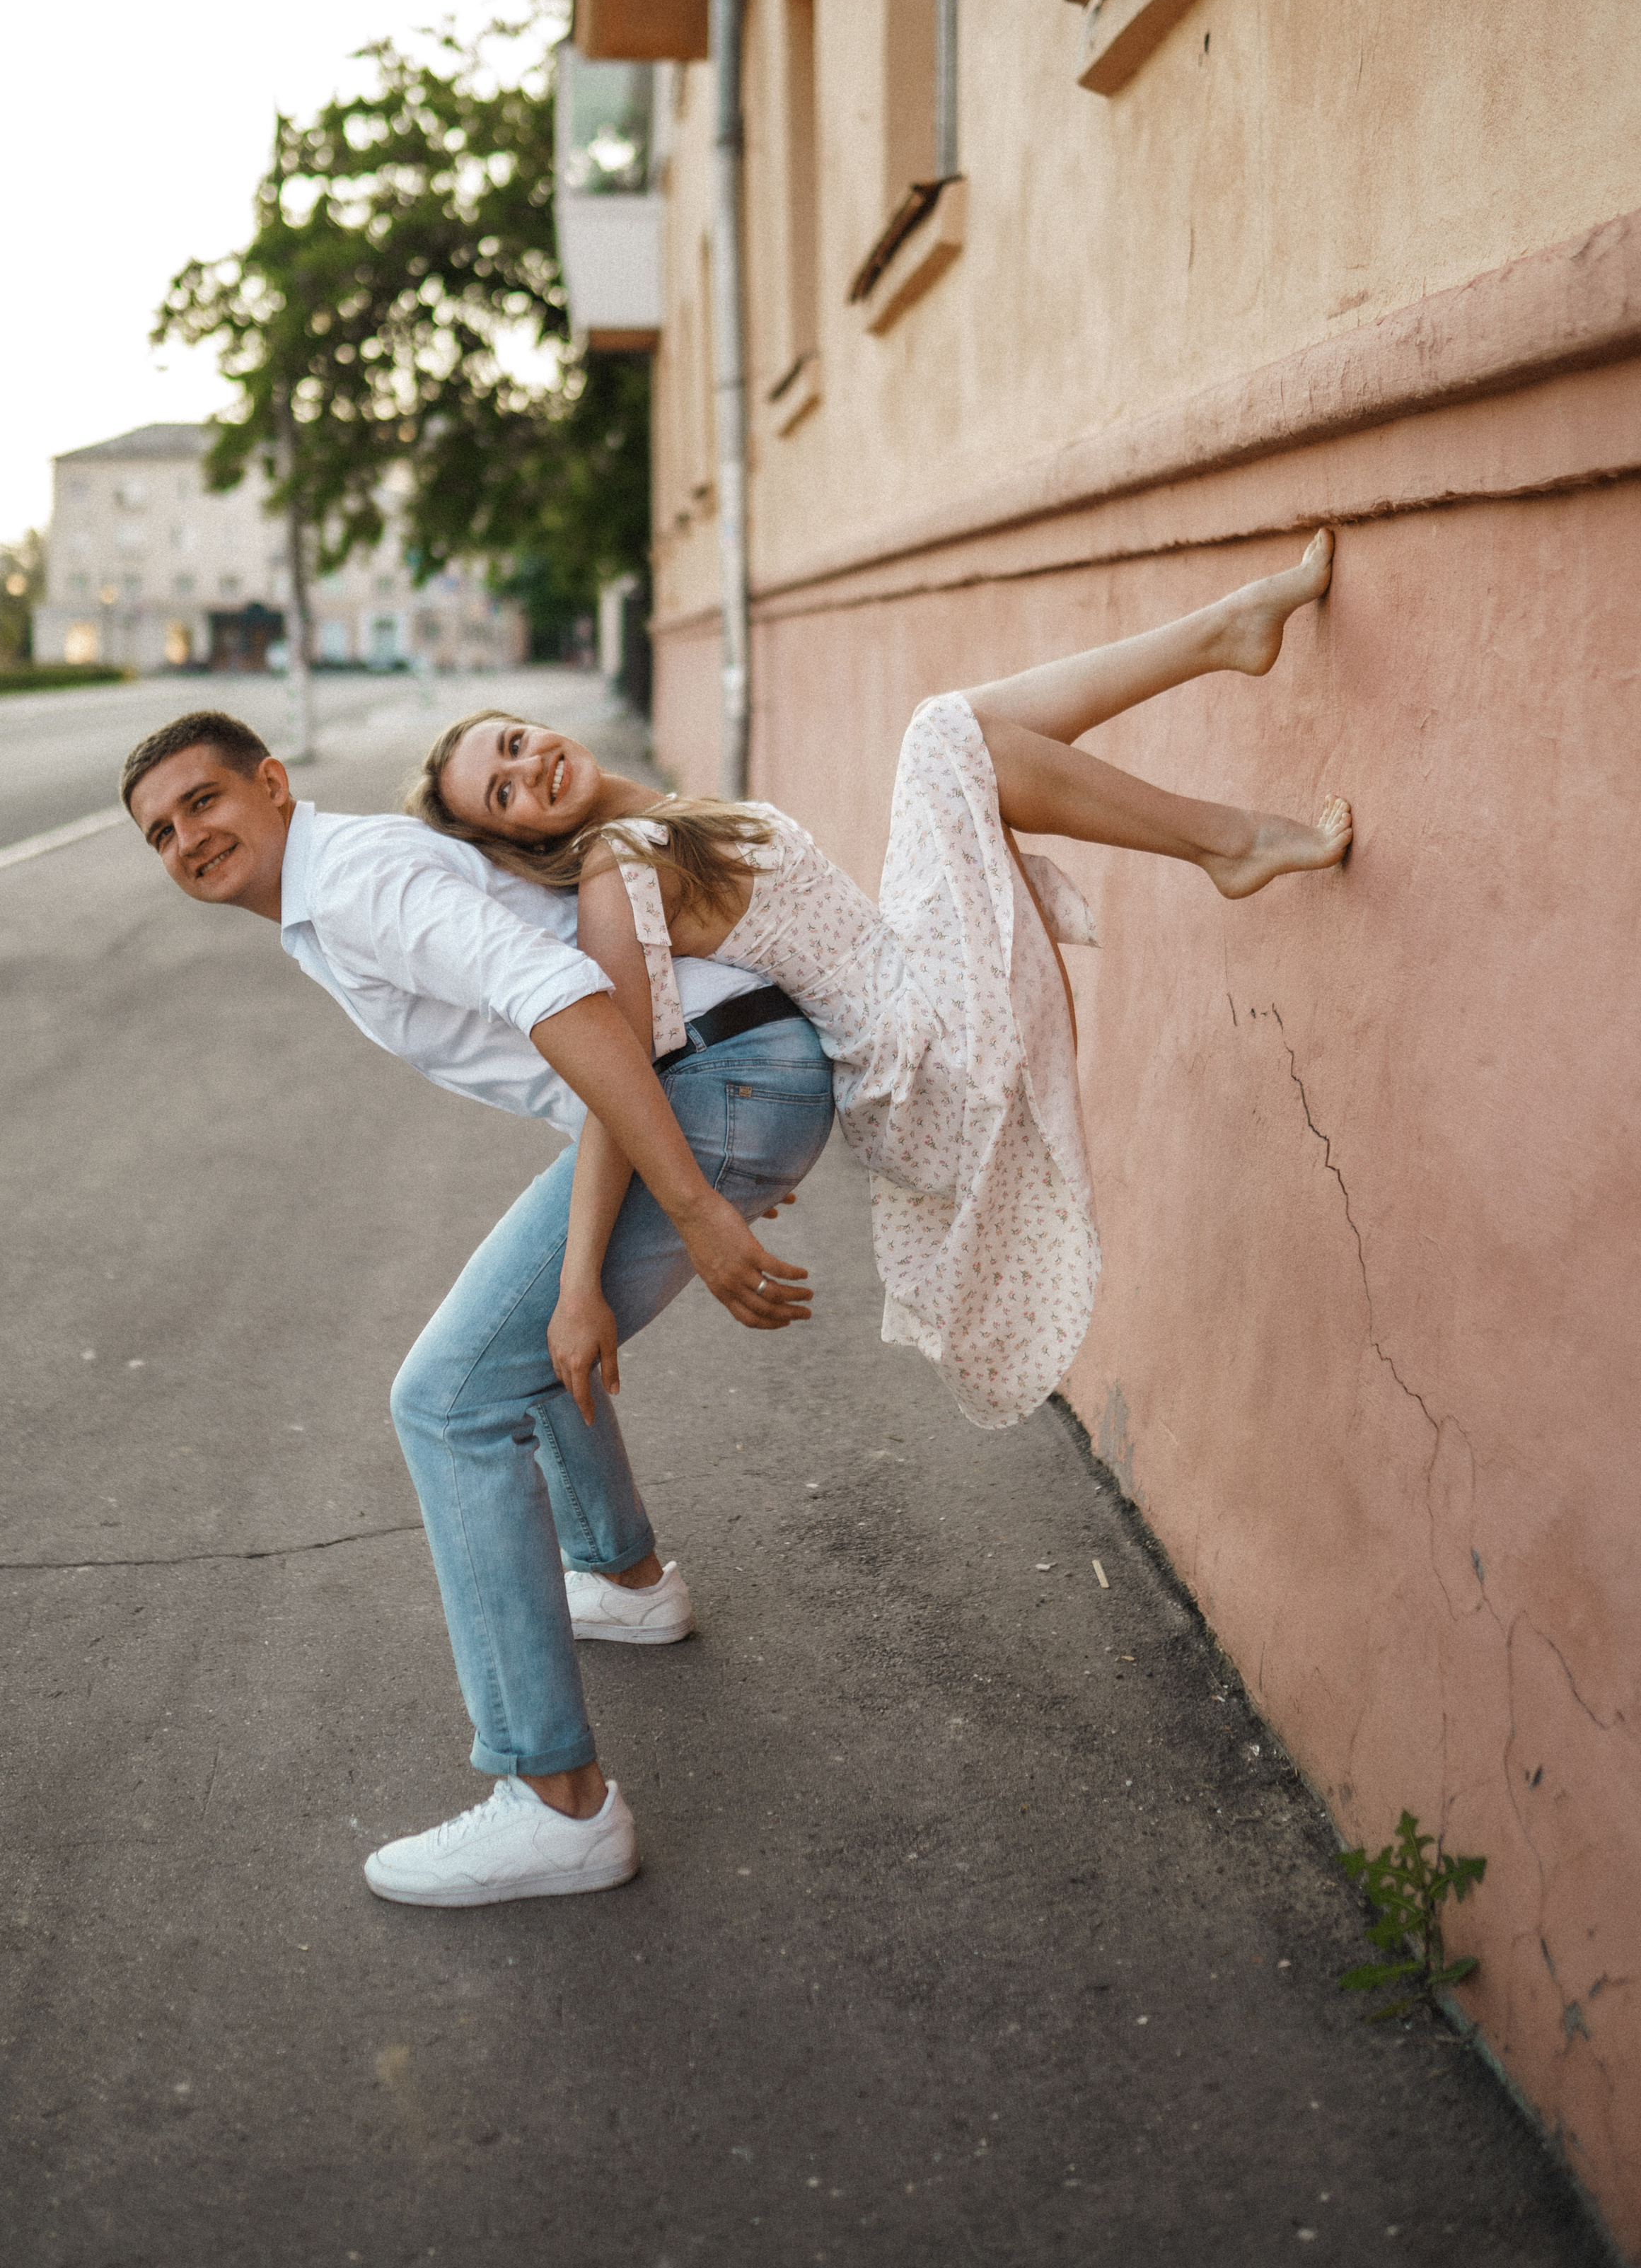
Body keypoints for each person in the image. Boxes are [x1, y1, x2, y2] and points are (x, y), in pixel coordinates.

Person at [120, 708, 835, 1908]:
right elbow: (583, 1037)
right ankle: (626, 1578)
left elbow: (563, 997)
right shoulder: (329, 895)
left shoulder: (351, 882)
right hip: (728, 1067)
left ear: (274, 784)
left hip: (711, 1075)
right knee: (538, 1329)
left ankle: (556, 1804)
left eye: (204, 803)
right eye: (160, 834)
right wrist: (590, 1268)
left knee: (447, 1401)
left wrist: (701, 1203)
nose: (187, 838)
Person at [422, 533, 1351, 1432]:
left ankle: (1226, 650)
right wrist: (596, 1270)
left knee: (963, 735)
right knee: (942, 736)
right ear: (525, 840)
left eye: (511, 743)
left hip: (909, 980)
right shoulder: (614, 871)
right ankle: (1231, 820)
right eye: (503, 795)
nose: (526, 769)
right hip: (914, 1064)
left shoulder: (665, 817)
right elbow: (615, 1070)